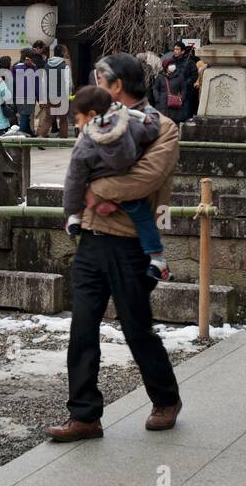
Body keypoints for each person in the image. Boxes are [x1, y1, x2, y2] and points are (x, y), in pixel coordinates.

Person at [45, 54, 182, 443]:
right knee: (82, 328)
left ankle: (166, 399)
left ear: (115, 84)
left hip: (130, 242)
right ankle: (84, 414)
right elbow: (77, 165)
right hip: (91, 237)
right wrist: (82, 201)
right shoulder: (96, 116)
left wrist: (94, 191)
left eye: (99, 80)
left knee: (137, 328)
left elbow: (145, 178)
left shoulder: (163, 127)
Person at [62, 85, 170, 282]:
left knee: (82, 187)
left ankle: (76, 220)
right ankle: (157, 258)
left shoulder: (85, 145)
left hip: (97, 187)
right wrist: (148, 115)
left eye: (78, 120)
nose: (77, 125)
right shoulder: (128, 124)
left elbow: (73, 181)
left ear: (91, 114)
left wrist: (71, 210)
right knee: (144, 218)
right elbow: (152, 130)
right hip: (125, 187)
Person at [150, 56, 189, 124]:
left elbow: (183, 89)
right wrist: (157, 98)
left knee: (173, 122)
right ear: (166, 67)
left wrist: (181, 99)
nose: (172, 66)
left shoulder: (180, 77)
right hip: (162, 103)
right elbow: (155, 88)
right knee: (162, 122)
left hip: (174, 103)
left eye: (173, 64)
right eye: (170, 65)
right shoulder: (160, 77)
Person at [172, 41, 200, 120]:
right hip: (174, 91)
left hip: (187, 92)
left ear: (183, 51)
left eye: (177, 49)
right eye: (174, 49)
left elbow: (194, 75)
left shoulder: (190, 62)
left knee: (186, 114)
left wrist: (186, 83)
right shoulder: (172, 62)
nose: (175, 51)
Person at [13, 49, 39, 135]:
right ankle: (21, 137)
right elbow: (36, 83)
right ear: (28, 58)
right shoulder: (32, 67)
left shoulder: (14, 66)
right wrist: (39, 97)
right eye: (32, 57)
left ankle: (30, 134)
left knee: (25, 116)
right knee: (24, 117)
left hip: (18, 95)